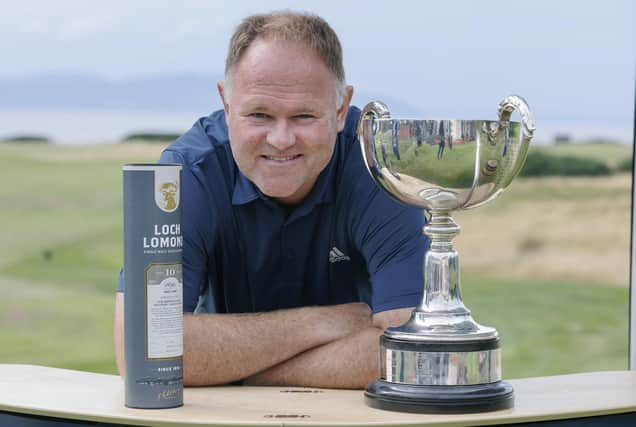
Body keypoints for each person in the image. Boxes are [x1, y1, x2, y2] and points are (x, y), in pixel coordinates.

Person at [114, 11, 428, 389]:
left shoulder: (379, 169)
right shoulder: (185, 174)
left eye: (303, 116)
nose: (280, 139)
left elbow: (412, 351)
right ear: (226, 104)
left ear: (341, 109)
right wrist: (321, 322)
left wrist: (235, 371)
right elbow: (141, 354)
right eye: (259, 114)